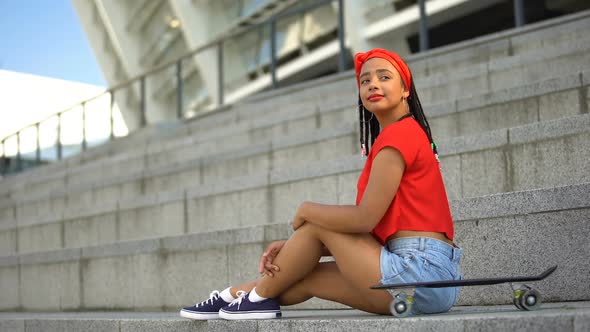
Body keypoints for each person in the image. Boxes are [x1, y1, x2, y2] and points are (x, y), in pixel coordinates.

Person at [180, 48, 462, 320]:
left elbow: (364, 219)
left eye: (384, 77)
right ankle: (234, 296)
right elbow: (374, 229)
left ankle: (252, 300)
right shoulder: (400, 135)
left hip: (419, 273)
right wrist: (296, 249)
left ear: (405, 90)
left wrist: (305, 210)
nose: (373, 84)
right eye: (365, 81)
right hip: (427, 283)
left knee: (316, 222)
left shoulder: (400, 135)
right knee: (303, 276)